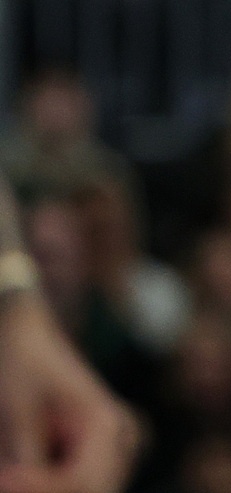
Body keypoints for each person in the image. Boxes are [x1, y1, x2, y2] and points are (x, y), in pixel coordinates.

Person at [0, 176, 138, 493]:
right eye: (40, 256)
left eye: (57, 256)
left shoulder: (118, 341)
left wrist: (16, 306)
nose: (49, 271)